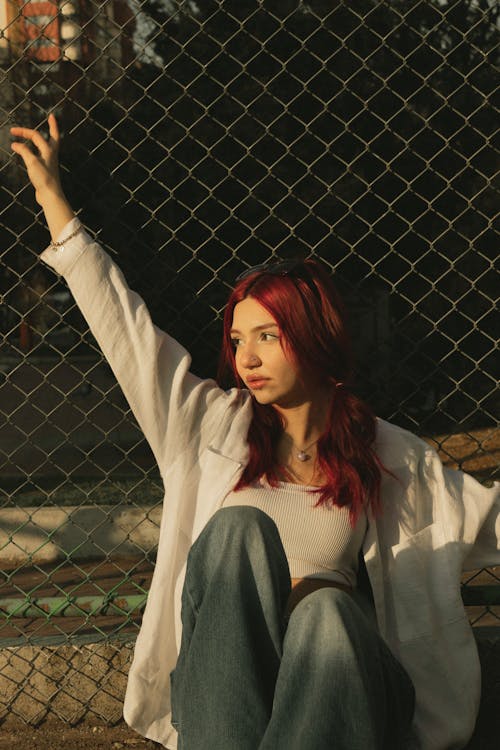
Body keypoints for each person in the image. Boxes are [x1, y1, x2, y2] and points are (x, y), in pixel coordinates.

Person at [11, 115, 499, 750]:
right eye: (238, 339)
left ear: (315, 336)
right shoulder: (208, 427)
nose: (246, 357)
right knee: (241, 529)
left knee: (327, 613)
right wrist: (55, 204)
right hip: (228, 700)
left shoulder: (394, 457)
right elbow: (127, 337)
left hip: (345, 689)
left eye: (268, 336)